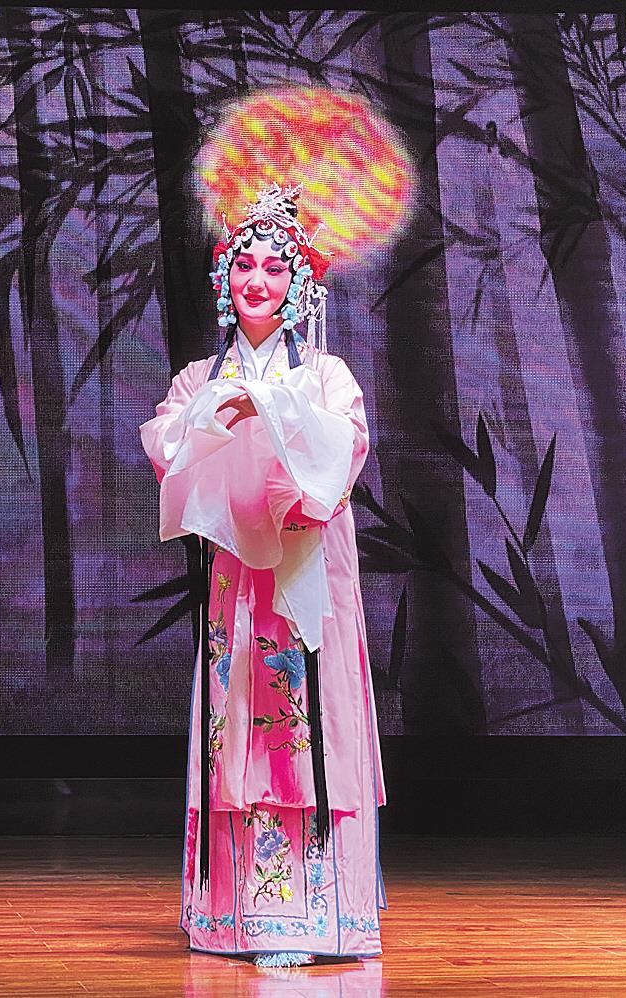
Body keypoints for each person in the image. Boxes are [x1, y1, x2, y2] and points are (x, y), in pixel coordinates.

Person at [140, 184, 385, 966]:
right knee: (238, 722)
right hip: (236, 584)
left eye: (274, 269)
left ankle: (311, 918)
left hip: (308, 571)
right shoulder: (195, 379)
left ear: (298, 283)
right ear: (223, 279)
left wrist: (277, 413)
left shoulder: (327, 376)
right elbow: (168, 450)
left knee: (306, 725)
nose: (256, 281)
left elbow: (343, 455)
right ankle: (232, 915)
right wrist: (214, 414)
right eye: (242, 265)